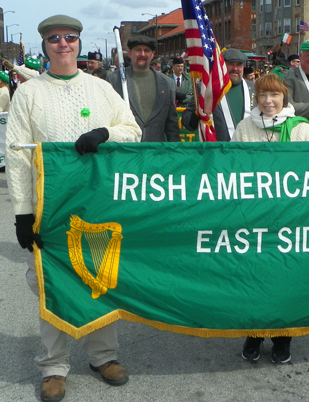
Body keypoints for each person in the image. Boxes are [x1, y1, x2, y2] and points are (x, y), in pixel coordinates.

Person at [5, 15, 142, 402]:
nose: (62, 44)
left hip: (96, 205)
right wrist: (22, 212)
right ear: (44, 46)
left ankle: (103, 355)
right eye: (54, 39)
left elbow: (132, 130)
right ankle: (53, 365)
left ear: (79, 44)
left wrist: (105, 133)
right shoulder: (28, 94)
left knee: (99, 277)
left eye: (69, 38)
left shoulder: (100, 89)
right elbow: (16, 156)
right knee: (51, 286)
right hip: (50, 209)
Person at [232, 73, 309, 363]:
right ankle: (254, 334)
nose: (268, 101)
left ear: (285, 97)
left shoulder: (301, 128)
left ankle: (284, 337)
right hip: (255, 216)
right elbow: (234, 168)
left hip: (290, 217)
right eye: (262, 96)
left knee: (286, 276)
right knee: (255, 277)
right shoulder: (245, 127)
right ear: (255, 99)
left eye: (275, 95)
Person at [107, 36, 180, 142]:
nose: (142, 54)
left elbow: (171, 124)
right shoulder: (114, 80)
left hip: (155, 152)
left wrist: (174, 153)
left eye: (146, 51)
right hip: (125, 150)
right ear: (130, 53)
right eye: (138, 50)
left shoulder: (167, 83)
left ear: (152, 54)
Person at [182, 49, 255, 141]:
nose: (235, 68)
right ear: (222, 65)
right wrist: (197, 115)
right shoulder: (206, 88)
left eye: (239, 65)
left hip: (249, 149)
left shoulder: (255, 88)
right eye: (231, 64)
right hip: (218, 149)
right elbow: (187, 121)